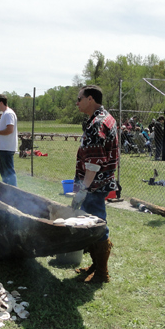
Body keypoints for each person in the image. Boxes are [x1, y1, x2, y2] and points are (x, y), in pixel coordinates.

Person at [71, 85, 117, 283]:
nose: (77, 102)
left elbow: (94, 163)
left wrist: (82, 191)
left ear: (90, 99)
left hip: (94, 186)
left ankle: (101, 273)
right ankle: (96, 265)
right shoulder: (104, 118)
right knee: (93, 224)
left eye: (79, 98)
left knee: (97, 226)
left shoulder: (97, 123)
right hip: (99, 184)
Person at [0, 94, 18, 186]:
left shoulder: (8, 114)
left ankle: (14, 194)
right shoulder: (5, 113)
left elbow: (10, 129)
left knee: (9, 174)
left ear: (1, 102)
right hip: (3, 148)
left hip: (7, 148)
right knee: (5, 175)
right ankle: (7, 193)